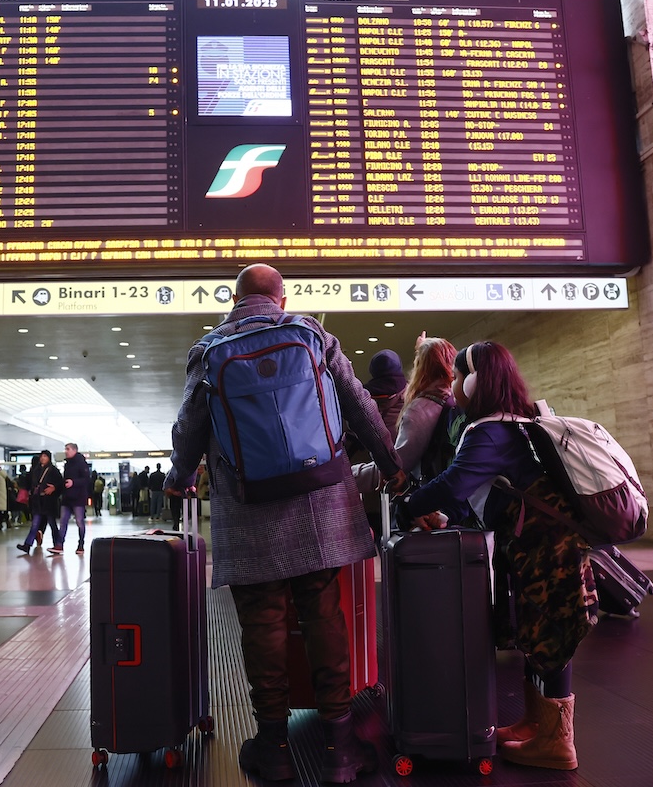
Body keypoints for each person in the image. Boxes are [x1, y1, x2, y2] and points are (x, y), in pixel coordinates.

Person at [165, 263, 405, 783]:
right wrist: (391, 464)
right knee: (323, 614)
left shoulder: (209, 349)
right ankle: (341, 745)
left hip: (248, 506)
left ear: (233, 299)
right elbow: (359, 404)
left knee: (262, 622)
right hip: (318, 500)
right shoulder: (311, 332)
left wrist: (177, 477)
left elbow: (189, 427)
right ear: (281, 297)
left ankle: (272, 745)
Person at [405, 341, 598, 771]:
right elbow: (478, 490)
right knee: (538, 632)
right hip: (542, 543)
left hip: (547, 546)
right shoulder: (518, 420)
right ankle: (536, 723)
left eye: (457, 377)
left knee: (550, 636)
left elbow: (455, 482)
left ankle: (557, 743)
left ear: (475, 381)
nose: (453, 385)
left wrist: (408, 505)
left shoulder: (491, 429)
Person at [353, 335, 459, 512]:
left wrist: (349, 476)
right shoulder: (455, 399)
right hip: (451, 497)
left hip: (425, 504)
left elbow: (397, 465)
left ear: (421, 367)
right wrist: (424, 349)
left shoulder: (422, 407)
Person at [346, 348, 407, 542]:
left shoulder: (365, 400)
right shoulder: (410, 399)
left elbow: (349, 442)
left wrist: (346, 476)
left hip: (381, 480)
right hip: (399, 482)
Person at [15, 449, 62, 554]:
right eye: (42, 456)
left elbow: (60, 484)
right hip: (38, 502)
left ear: (49, 458)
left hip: (48, 502)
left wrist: (54, 488)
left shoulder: (53, 470)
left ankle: (58, 545)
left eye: (45, 456)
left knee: (52, 524)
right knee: (35, 524)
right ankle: (27, 545)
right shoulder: (36, 470)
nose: (42, 458)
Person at [55, 442, 90, 554]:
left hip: (78, 498)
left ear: (74, 450)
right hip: (67, 497)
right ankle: (59, 545)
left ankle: (81, 544)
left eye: (68, 449)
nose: (66, 451)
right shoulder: (67, 464)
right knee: (63, 521)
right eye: (65, 449)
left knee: (79, 521)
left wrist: (73, 482)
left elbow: (86, 480)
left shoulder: (81, 463)